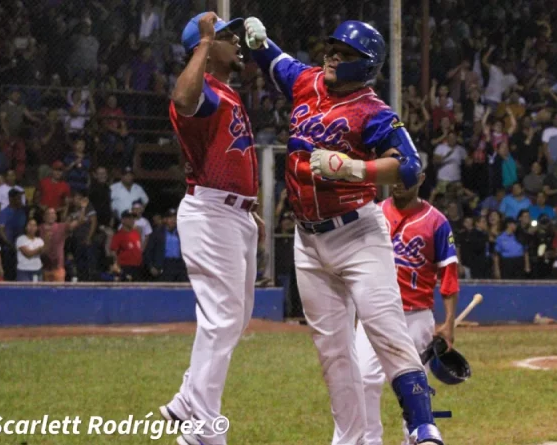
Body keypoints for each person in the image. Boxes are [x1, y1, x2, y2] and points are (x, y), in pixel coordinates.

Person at [248, 17, 445, 444]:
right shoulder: (307, 81)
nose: (333, 56)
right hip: (307, 240)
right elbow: (275, 59)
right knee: (334, 352)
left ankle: (422, 428)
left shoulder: (372, 111)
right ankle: (353, 440)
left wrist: (357, 168)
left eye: (345, 53)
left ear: (366, 65)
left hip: (357, 235)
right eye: (332, 48)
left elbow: (411, 167)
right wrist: (260, 37)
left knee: (386, 331)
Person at [157, 12, 261, 445]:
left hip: (236, 215)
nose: (235, 40)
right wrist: (202, 41)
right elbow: (181, 99)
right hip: (212, 211)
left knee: (234, 319)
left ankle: (186, 401)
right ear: (203, 47)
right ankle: (202, 428)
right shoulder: (204, 95)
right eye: (225, 36)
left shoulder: (223, 92)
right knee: (221, 320)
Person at [345, 173, 459, 445]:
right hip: (374, 312)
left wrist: (450, 324)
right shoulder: (373, 213)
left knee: (416, 389)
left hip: (416, 316)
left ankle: (415, 439)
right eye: (394, 177)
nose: (398, 183)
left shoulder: (437, 222)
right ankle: (370, 440)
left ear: (420, 178)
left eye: (405, 177)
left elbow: (449, 275)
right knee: (363, 379)